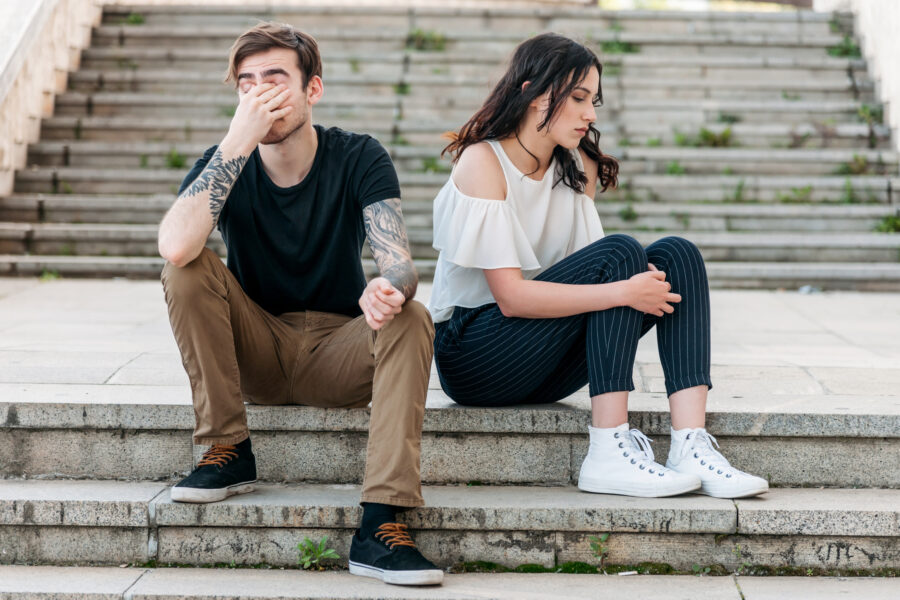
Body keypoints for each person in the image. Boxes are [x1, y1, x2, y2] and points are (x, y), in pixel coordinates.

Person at [157, 22, 443, 585]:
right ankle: (226, 449)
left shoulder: (359, 156)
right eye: (247, 83)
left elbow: (401, 261)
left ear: (313, 89)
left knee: (411, 315)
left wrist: (390, 288)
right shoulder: (223, 162)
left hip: (342, 350)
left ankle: (381, 525)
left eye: (275, 79)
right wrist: (238, 142)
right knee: (186, 270)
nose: (260, 93)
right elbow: (174, 246)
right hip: (257, 348)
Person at [427, 33, 768, 500]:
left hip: (540, 358)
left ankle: (691, 444)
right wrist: (623, 293)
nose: (591, 114)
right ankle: (608, 449)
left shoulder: (576, 167)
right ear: (536, 95)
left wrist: (622, 292)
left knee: (678, 256)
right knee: (621, 256)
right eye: (580, 98)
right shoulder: (483, 161)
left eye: (594, 101)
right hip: (474, 355)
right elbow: (512, 296)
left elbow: (584, 276)